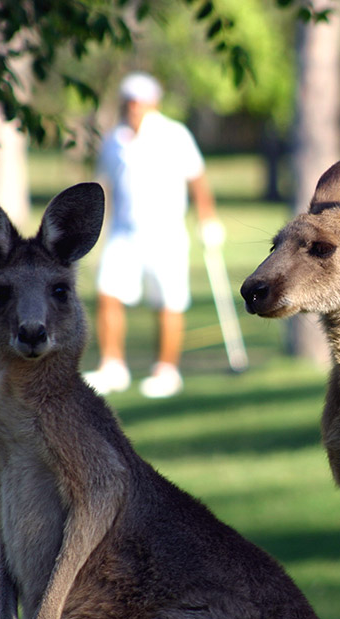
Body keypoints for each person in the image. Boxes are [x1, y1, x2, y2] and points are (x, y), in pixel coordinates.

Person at [84, 72, 224, 399]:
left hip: (166, 233)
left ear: (153, 103)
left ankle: (166, 370)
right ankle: (112, 366)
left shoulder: (174, 134)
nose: (133, 107)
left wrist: (208, 220)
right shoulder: (113, 139)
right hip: (123, 231)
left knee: (168, 302)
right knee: (107, 294)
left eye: (140, 101)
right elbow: (102, 186)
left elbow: (198, 181)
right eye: (129, 101)